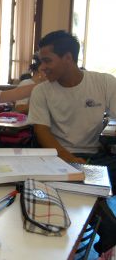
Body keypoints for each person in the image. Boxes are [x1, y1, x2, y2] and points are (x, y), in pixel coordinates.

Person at [27, 30, 116, 193]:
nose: (42, 67)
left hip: (94, 156)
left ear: (68, 58)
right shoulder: (41, 91)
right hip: (56, 156)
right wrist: (69, 159)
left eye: (47, 61)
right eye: (41, 61)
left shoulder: (104, 82)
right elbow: (42, 131)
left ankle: (102, 216)